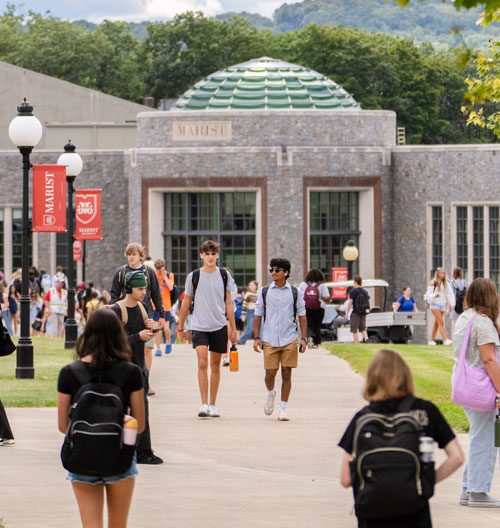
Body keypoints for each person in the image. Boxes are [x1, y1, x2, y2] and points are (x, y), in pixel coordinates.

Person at [339, 349, 464, 527]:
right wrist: (421, 481)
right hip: (414, 511)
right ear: (405, 376)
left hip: (372, 515)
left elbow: (345, 480)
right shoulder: (425, 410)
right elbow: (457, 457)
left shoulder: (362, 418)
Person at [57, 309, 145, 528]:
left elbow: (62, 426)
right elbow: (140, 425)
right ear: (118, 334)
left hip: (82, 457)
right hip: (119, 456)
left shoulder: (69, 372)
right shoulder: (131, 372)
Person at [453, 277, 500, 507]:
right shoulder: (483, 322)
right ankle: (478, 492)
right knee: (486, 438)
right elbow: (489, 359)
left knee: (478, 435)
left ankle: (468, 488)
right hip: (481, 387)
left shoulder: (465, 317)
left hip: (465, 385)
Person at [177, 240, 238, 418]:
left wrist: (233, 329)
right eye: (207, 254)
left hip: (219, 325)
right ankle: (203, 404)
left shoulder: (224, 275)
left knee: (215, 365)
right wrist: (181, 327)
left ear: (217, 255)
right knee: (202, 362)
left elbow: (228, 303)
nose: (210, 257)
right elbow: (186, 302)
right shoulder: (193, 276)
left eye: (213, 254)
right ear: (201, 255)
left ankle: (213, 404)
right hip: (199, 325)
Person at [111, 271, 163, 465]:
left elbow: (144, 334)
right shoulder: (117, 310)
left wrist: (151, 328)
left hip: (138, 369)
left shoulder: (142, 307)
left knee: (142, 411)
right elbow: (113, 342)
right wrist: (137, 337)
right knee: (122, 411)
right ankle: (122, 450)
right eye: (140, 289)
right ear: (129, 289)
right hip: (122, 371)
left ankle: (143, 451)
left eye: (145, 289)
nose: (144, 292)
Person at [253, 258, 307, 421]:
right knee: (270, 374)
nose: (273, 273)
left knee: (286, 373)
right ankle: (271, 393)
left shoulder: (295, 292)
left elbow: (302, 315)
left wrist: (303, 338)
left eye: (277, 270)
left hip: (290, 337)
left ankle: (283, 408)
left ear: (286, 272)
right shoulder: (264, 291)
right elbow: (258, 314)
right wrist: (256, 337)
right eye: (272, 270)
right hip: (269, 337)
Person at [110, 243, 165, 397]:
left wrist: (160, 314)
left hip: (145, 315)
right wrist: (117, 310)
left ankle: (145, 381)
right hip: (126, 316)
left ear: (140, 256)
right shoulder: (120, 272)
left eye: (134, 254)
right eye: (129, 254)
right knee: (127, 345)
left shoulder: (149, 272)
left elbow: (155, 294)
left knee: (147, 348)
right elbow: (114, 294)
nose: (131, 257)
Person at [298, 268, 330, 348]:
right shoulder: (322, 285)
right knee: (317, 325)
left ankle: (310, 336)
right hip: (319, 308)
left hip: (306, 308)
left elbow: (298, 296)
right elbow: (326, 298)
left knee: (308, 324)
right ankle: (316, 342)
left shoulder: (303, 285)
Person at [425, 267, 455, 345]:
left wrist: (452, 304)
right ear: (437, 274)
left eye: (443, 273)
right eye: (441, 273)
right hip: (434, 305)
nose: (442, 274)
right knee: (441, 322)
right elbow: (428, 295)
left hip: (442, 305)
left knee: (437, 323)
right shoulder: (433, 282)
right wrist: (435, 295)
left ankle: (431, 341)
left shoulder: (446, 283)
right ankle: (445, 340)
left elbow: (450, 294)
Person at [153, 258, 174, 356]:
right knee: (157, 328)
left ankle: (168, 341)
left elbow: (170, 287)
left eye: (160, 268)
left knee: (166, 328)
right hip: (155, 306)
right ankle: (158, 349)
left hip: (166, 305)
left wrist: (164, 275)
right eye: (157, 269)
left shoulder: (170, 275)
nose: (159, 271)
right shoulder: (153, 275)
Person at [346, 275, 370, 344]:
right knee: (363, 328)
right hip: (363, 312)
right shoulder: (365, 291)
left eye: (354, 282)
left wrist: (347, 312)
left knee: (354, 329)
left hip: (356, 312)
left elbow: (350, 302)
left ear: (356, 282)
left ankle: (356, 343)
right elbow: (368, 302)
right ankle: (366, 338)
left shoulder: (353, 291)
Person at [238, 280, 259, 345]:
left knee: (261, 328)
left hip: (258, 313)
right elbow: (244, 305)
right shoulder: (248, 294)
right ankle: (241, 341)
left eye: (253, 285)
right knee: (249, 329)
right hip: (250, 312)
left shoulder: (259, 293)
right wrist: (243, 315)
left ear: (256, 286)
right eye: (250, 285)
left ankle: (261, 342)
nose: (251, 286)